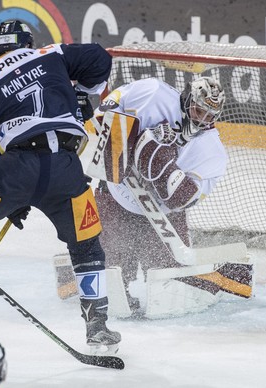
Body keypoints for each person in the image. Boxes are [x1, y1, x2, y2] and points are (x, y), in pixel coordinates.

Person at [0, 20, 121, 352]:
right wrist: (83, 91)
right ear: (28, 42)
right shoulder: (52, 54)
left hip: (15, 170)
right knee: (87, 244)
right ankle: (98, 327)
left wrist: (11, 198)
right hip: (65, 169)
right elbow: (101, 59)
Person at [92, 76, 253, 317]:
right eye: (199, 111)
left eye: (210, 116)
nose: (202, 120)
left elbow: (185, 199)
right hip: (117, 193)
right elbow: (104, 113)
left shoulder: (212, 150)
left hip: (163, 214)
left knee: (170, 282)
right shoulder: (151, 93)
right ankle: (88, 273)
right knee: (108, 269)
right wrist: (131, 144)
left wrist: (160, 167)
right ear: (189, 99)